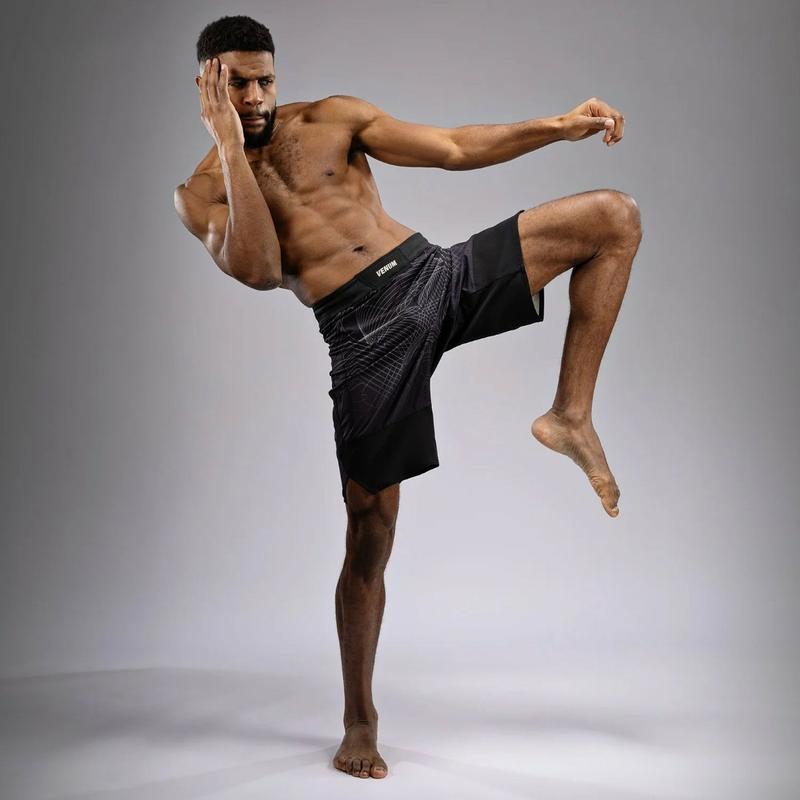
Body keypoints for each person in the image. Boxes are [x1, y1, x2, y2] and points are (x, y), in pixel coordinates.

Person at [174, 14, 643, 781]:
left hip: (433, 275)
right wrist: (229, 145)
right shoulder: (199, 191)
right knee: (371, 531)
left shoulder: (331, 118)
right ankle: (359, 718)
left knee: (614, 217)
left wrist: (557, 127)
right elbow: (258, 268)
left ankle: (570, 413)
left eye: (264, 80)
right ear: (207, 85)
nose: (254, 97)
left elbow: (454, 146)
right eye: (236, 85)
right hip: (363, 335)